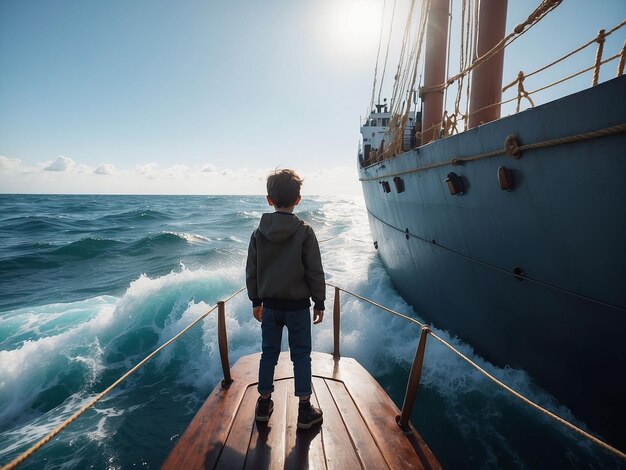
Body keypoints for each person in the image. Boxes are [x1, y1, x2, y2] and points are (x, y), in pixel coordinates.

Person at [246, 169, 325, 429]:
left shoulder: (258, 233)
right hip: (298, 307)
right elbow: (314, 270)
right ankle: (304, 410)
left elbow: (252, 270)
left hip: (270, 307)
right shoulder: (305, 231)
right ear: (298, 199)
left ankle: (263, 404)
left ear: (269, 199)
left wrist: (255, 301)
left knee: (268, 354)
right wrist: (320, 302)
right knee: (301, 355)